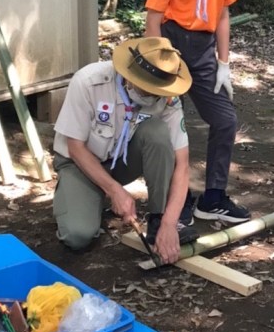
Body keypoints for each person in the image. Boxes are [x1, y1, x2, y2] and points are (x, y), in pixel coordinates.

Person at [145, 0, 250, 224]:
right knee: (165, 122)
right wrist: (160, 65)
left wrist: (223, 63)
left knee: (225, 120)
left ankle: (214, 197)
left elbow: (223, 15)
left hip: (204, 48)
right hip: (170, 41)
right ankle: (174, 201)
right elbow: (153, 19)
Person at [52, 36, 193, 264]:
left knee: (157, 132)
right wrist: (114, 190)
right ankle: (84, 196)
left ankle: (157, 220)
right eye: (148, 89)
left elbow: (182, 164)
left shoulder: (168, 98)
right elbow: (75, 147)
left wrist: (169, 223)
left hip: (122, 162)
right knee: (77, 236)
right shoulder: (89, 81)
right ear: (130, 76)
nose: (154, 95)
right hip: (80, 164)